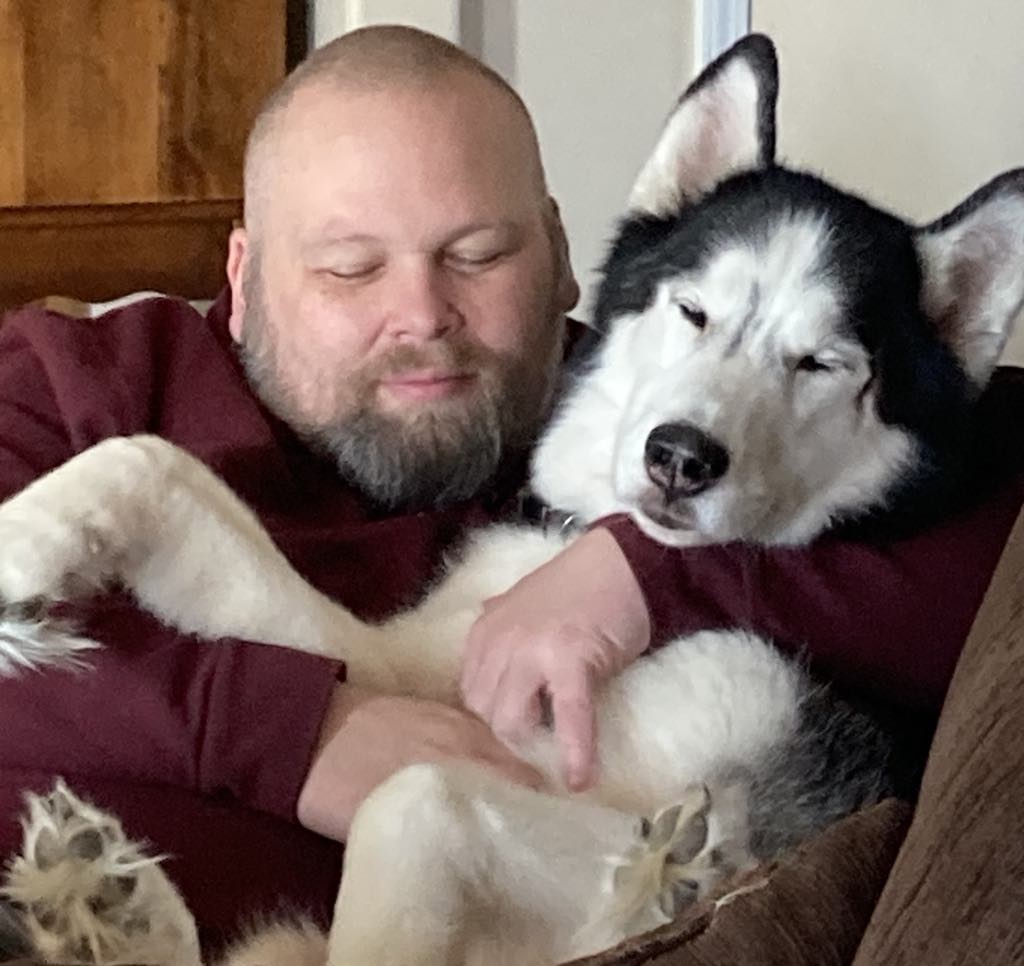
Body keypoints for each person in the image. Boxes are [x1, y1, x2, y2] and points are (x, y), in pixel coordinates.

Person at [0, 24, 1022, 953]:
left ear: (562, 258)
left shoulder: (600, 420)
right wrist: (293, 734)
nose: (422, 314)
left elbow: (980, 535)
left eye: (479, 255)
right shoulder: (78, 381)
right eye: (350, 268)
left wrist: (636, 574)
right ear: (243, 269)